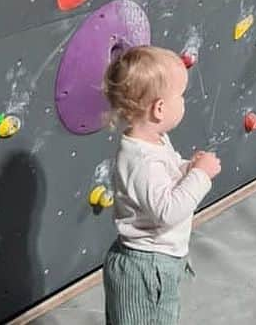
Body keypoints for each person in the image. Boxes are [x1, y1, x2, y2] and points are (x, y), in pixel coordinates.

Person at [102, 45, 221, 325]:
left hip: (158, 261)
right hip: (146, 266)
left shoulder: (154, 141)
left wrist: (186, 168)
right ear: (159, 108)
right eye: (180, 96)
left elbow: (166, 173)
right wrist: (200, 176)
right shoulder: (141, 161)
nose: (184, 102)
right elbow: (166, 210)